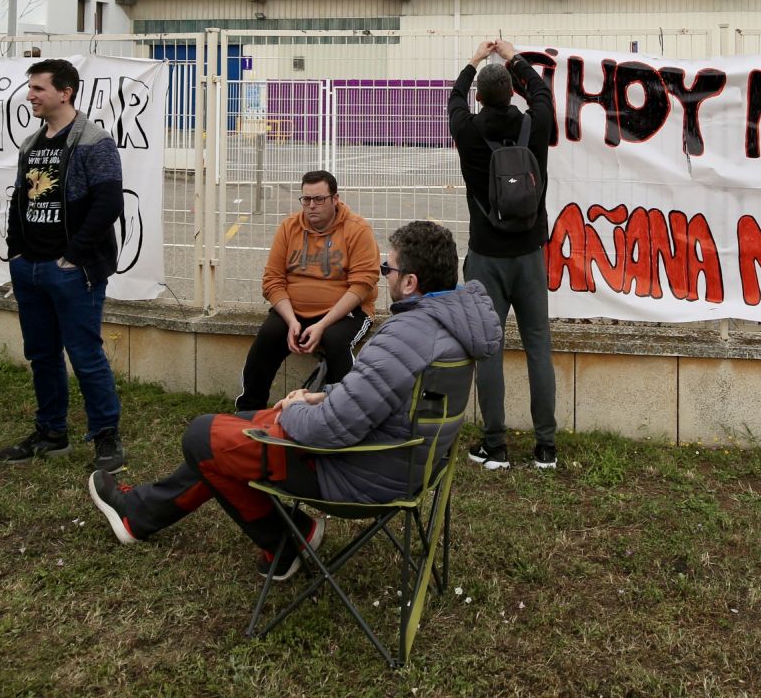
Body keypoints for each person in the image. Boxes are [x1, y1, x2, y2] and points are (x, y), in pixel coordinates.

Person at [88, 220, 498, 579]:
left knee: (202, 436)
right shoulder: (449, 329)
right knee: (243, 421)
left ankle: (287, 541)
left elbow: (330, 430)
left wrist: (299, 408)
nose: (383, 275)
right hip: (402, 464)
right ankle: (138, 515)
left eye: (387, 268)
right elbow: (379, 396)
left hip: (356, 474)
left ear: (410, 282)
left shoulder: (406, 334)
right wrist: (321, 395)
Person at [0, 58, 127, 473]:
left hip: (72, 271)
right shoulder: (31, 143)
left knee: (86, 356)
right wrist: (16, 252)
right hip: (29, 268)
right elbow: (20, 200)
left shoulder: (94, 141)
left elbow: (109, 203)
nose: (30, 95)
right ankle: (51, 433)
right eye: (30, 88)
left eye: (38, 88)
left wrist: (73, 256)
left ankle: (106, 437)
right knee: (42, 356)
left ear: (64, 92)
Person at [449, 37, 558, 469]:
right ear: (513, 91)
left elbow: (455, 98)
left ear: (479, 96)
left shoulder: (468, 132)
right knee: (538, 346)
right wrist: (514, 57)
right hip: (530, 253)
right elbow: (543, 92)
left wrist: (474, 60)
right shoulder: (536, 125)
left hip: (486, 255)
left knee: (489, 348)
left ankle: (494, 445)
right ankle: (545, 447)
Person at [236, 170, 381, 415]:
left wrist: (323, 324)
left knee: (336, 343)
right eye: (306, 200)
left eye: (319, 199)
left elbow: (362, 284)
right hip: (295, 310)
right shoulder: (289, 227)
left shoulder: (357, 229)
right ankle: (249, 410)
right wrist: (292, 321)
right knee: (269, 335)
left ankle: (343, 413)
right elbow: (272, 281)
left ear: (335, 199)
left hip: (346, 312)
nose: (311, 206)